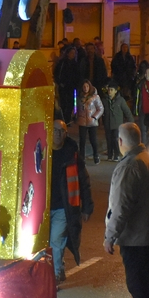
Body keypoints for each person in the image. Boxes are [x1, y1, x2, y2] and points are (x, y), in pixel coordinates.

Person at [104, 123, 149, 298]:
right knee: (143, 286)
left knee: (138, 287)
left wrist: (110, 235)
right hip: (147, 233)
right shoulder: (148, 160)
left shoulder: (130, 166)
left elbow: (121, 206)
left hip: (135, 236)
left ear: (120, 142)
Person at [50, 120, 94, 284]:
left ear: (66, 134)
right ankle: (55, 270)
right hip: (44, 207)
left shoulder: (71, 154)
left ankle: (54, 275)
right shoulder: (42, 150)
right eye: (54, 130)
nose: (57, 134)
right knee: (46, 243)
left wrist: (87, 207)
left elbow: (84, 180)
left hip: (64, 207)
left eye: (61, 131)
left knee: (56, 240)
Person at [103, 80, 135, 162]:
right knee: (109, 139)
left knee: (116, 139)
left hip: (117, 124)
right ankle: (110, 155)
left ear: (115, 91)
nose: (110, 91)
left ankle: (116, 154)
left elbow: (127, 111)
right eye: (109, 90)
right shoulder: (105, 100)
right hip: (107, 124)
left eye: (112, 90)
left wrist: (131, 122)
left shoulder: (120, 100)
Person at [76, 80, 105, 165]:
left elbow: (100, 108)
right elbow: (76, 107)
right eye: (84, 87)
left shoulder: (95, 97)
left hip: (92, 122)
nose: (85, 88)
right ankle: (82, 157)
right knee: (82, 140)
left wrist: (94, 117)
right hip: (82, 121)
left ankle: (96, 155)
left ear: (90, 87)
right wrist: (75, 115)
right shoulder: (79, 97)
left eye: (87, 86)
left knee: (93, 140)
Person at [54, 46, 81, 124]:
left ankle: (67, 119)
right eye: (71, 53)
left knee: (70, 104)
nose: (72, 54)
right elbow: (57, 73)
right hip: (63, 86)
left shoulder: (75, 64)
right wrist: (60, 83)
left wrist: (77, 84)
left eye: (74, 53)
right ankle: (63, 119)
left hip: (72, 87)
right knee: (63, 103)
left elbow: (78, 75)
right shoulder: (62, 63)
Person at [134, 61, 149, 138]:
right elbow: (137, 98)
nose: (147, 75)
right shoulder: (140, 85)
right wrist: (136, 111)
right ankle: (144, 147)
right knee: (143, 131)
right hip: (143, 111)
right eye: (145, 73)